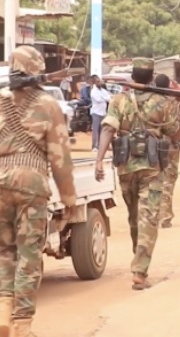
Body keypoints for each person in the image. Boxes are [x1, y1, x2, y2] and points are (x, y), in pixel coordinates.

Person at [0, 46, 76, 337]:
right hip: (31, 184)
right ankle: (22, 324)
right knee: (29, 253)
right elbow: (60, 157)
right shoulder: (47, 104)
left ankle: (3, 311)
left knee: (4, 251)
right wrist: (68, 197)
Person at [95, 58, 180, 290]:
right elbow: (174, 133)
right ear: (151, 77)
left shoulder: (119, 100)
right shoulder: (162, 102)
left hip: (126, 168)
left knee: (134, 217)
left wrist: (99, 160)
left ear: (132, 76)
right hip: (151, 169)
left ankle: (138, 263)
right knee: (148, 218)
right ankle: (140, 271)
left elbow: (108, 128)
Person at [154, 74, 180, 229]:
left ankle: (152, 215)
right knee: (168, 181)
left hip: (151, 145)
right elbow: (178, 127)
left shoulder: (146, 102)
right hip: (169, 145)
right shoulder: (172, 103)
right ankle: (165, 217)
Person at [90, 75, 111, 152]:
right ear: (94, 83)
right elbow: (98, 100)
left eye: (100, 81)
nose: (100, 82)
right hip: (96, 113)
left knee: (103, 131)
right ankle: (94, 146)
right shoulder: (93, 91)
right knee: (95, 130)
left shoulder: (103, 90)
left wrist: (104, 98)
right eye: (98, 81)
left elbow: (109, 99)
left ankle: (101, 146)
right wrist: (105, 98)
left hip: (103, 113)